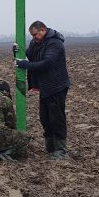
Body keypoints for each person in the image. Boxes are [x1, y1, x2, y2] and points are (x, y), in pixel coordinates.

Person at [16, 20, 71, 159]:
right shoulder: (36, 43)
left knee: (57, 118)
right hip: (45, 86)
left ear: (43, 30)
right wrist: (17, 51)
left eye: (35, 35)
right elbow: (28, 54)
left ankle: (61, 150)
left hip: (57, 86)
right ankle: (51, 147)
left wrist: (26, 66)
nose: (33, 38)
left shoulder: (55, 43)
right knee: (45, 118)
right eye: (32, 36)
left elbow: (47, 63)